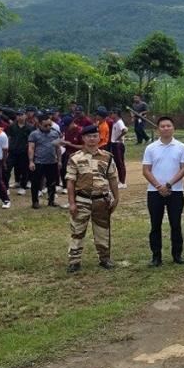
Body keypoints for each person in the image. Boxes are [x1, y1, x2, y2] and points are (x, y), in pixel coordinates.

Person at [64, 125, 119, 273]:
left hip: (102, 200)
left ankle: (105, 259)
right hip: (82, 200)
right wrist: (71, 203)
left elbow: (113, 178)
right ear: (83, 138)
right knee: (77, 231)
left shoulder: (107, 157)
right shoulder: (75, 158)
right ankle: (74, 261)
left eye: (95, 136)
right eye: (88, 136)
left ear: (99, 137)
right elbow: (70, 182)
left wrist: (116, 198)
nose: (92, 139)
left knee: (102, 231)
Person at [141, 116, 184, 267]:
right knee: (155, 225)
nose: (166, 128)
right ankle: (156, 257)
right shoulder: (151, 148)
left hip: (175, 191)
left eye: (169, 126)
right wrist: (158, 186)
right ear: (158, 129)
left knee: (176, 224)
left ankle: (177, 255)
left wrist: (168, 185)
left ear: (173, 128)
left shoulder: (181, 147)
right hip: (154, 192)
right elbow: (146, 170)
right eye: (163, 126)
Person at [27, 114, 63, 208]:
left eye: (49, 125)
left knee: (52, 182)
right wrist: (31, 161)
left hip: (51, 162)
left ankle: (51, 200)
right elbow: (31, 148)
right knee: (35, 183)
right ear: (39, 124)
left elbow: (58, 148)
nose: (48, 127)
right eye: (45, 125)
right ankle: (35, 201)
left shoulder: (55, 133)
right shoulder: (34, 134)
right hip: (39, 162)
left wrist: (59, 160)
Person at [4, 110, 32, 196]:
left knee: (24, 170)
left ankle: (23, 187)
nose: (20, 117)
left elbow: (31, 141)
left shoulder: (29, 127)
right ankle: (5, 187)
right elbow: (8, 138)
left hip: (24, 152)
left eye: (21, 115)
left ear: (25, 116)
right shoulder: (11, 126)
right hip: (12, 151)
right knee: (7, 169)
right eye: (18, 115)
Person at [108, 109, 128, 188]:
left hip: (118, 144)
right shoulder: (115, 122)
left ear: (116, 114)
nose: (111, 115)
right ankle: (121, 180)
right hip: (115, 143)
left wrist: (119, 137)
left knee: (120, 163)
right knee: (118, 162)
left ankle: (122, 182)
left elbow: (125, 130)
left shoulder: (119, 122)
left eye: (112, 113)